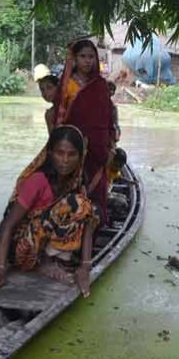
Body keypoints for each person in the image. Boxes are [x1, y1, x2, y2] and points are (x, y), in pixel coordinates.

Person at [0, 125, 99, 298]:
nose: (65, 160)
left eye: (71, 154)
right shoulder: (37, 181)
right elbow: (8, 226)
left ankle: (53, 259)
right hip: (22, 250)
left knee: (87, 208)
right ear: (50, 153)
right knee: (77, 203)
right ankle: (44, 262)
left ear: (80, 157)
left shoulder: (76, 182)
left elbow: (88, 221)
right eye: (60, 153)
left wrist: (85, 267)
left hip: (41, 245)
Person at [54, 39, 116, 224]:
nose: (87, 61)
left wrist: (110, 140)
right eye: (82, 56)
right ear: (74, 59)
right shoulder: (67, 85)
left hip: (97, 145)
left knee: (96, 183)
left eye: (91, 56)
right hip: (73, 144)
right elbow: (59, 114)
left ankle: (94, 220)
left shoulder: (100, 85)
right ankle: (69, 221)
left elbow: (108, 116)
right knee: (70, 182)